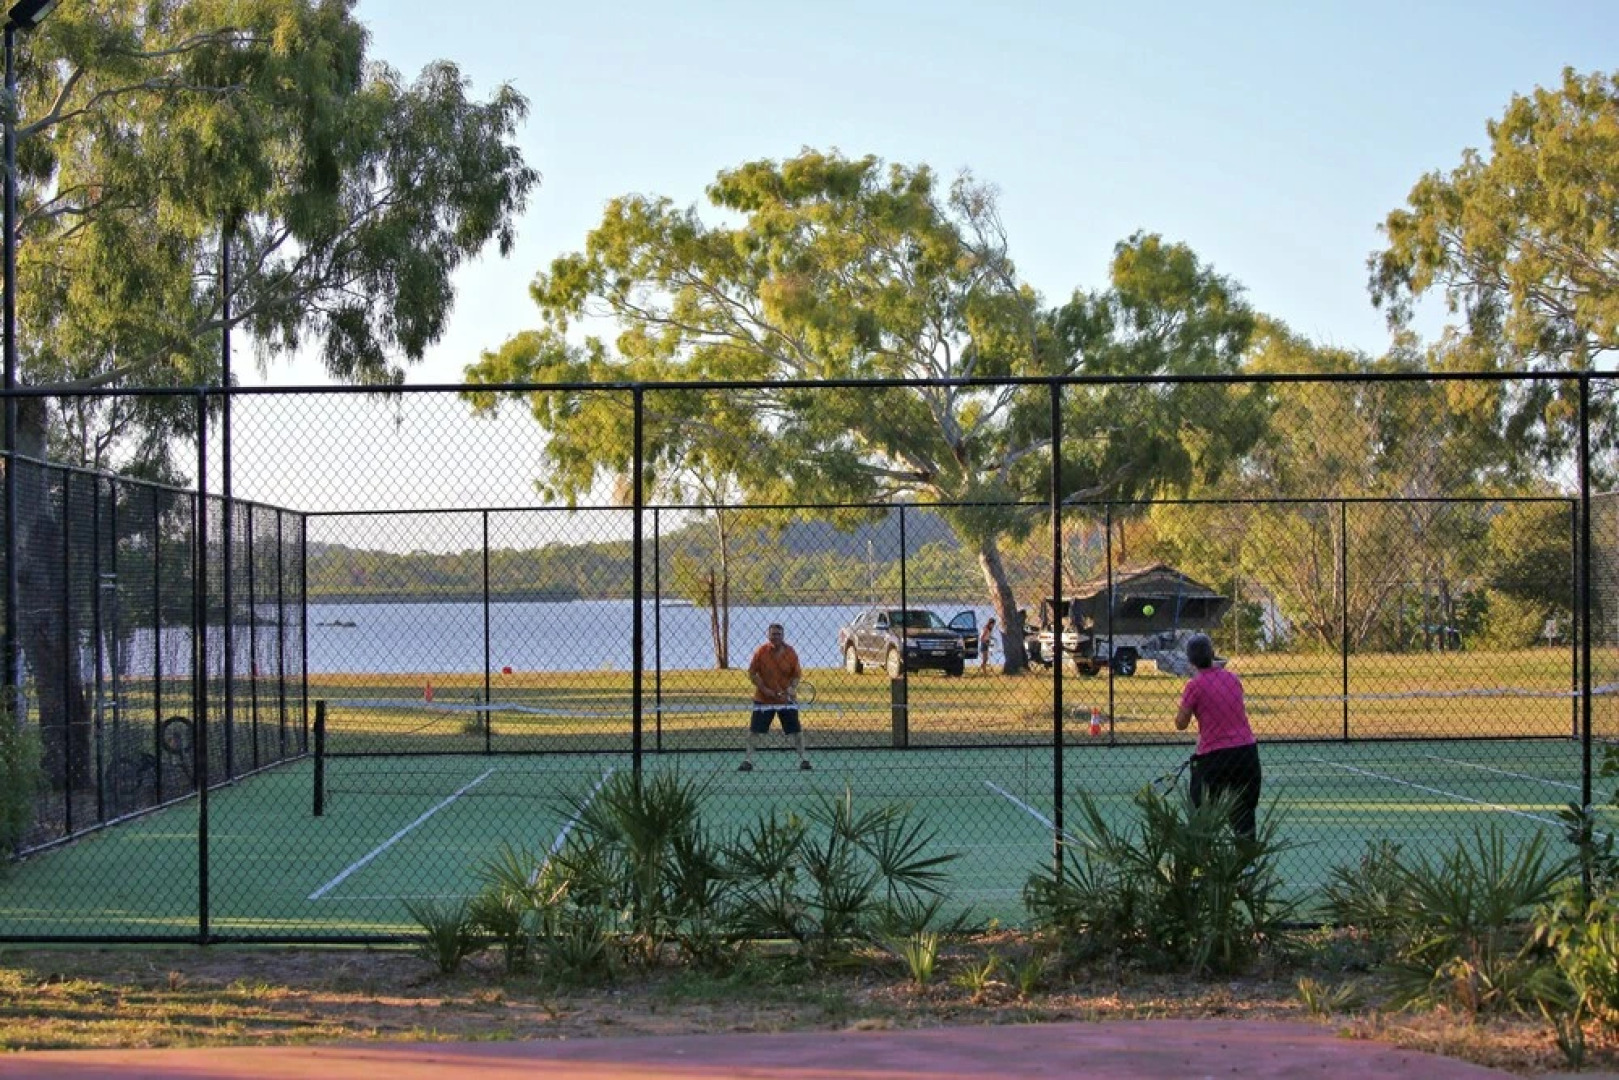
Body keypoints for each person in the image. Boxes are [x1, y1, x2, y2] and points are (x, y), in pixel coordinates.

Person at [1173, 633, 1261, 839]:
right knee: (1243, 811)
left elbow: (1180, 724)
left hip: (1214, 758)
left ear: (1190, 660)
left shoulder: (1194, 685)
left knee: (1201, 811)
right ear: (1212, 654)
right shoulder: (1232, 678)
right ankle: (1247, 862)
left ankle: (1201, 861)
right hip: (1246, 753)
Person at [739, 622, 810, 771]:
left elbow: (796, 675)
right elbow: (752, 673)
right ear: (768, 635)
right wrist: (764, 689)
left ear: (783, 636)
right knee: (754, 731)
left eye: (778, 634)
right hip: (763, 700)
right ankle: (748, 760)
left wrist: (791, 688)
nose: (775, 637)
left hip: (786, 700)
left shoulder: (791, 652)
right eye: (773, 634)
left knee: (796, 731)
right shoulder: (761, 652)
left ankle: (804, 759)